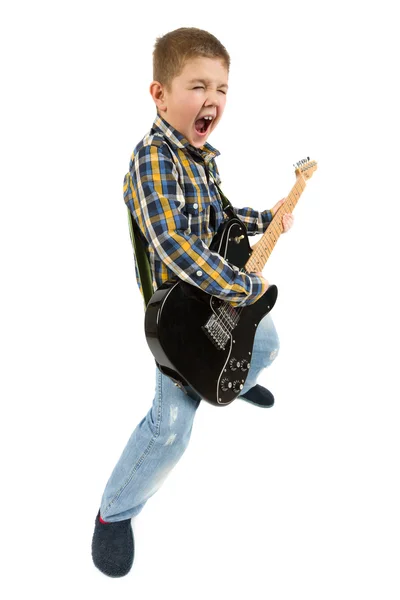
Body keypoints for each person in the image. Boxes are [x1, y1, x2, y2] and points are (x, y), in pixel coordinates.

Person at [91, 26, 294, 578]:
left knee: (268, 343)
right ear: (159, 94)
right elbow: (176, 246)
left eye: (222, 89)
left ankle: (233, 377)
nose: (213, 99)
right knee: (171, 431)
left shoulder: (200, 156)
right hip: (181, 319)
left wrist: (264, 219)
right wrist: (238, 287)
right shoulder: (154, 161)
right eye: (197, 85)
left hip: (218, 297)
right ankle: (114, 513)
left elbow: (219, 219)